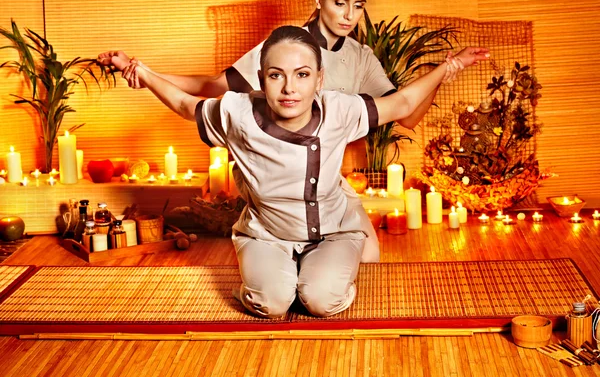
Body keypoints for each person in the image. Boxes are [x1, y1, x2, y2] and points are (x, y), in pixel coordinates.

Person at [99, 0, 489, 262]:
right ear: (318, 0)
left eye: (358, 6)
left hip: (328, 187)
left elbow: (406, 114)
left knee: (369, 258)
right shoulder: (284, 47)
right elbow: (214, 88)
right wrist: (147, 74)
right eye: (339, 3)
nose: (348, 15)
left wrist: (446, 70)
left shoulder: (361, 57)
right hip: (274, 188)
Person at [119, 25, 485, 318]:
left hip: (334, 232)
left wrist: (448, 67)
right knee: (273, 304)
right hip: (267, 234)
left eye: (302, 74)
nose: (290, 88)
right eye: (276, 75)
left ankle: (321, 271)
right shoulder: (237, 113)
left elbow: (402, 103)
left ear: (319, 80)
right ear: (261, 80)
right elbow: (186, 104)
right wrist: (144, 74)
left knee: (322, 302)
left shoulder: (340, 109)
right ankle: (277, 276)